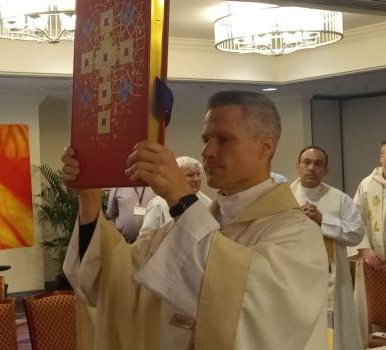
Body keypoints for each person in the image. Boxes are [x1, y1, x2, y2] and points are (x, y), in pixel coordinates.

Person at [61, 90, 328, 350]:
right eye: (206, 139)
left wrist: (179, 196)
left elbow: (245, 307)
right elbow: (110, 281)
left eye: (223, 139)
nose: (208, 151)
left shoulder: (297, 233)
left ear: (265, 146)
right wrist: (89, 199)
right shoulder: (179, 230)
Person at [290, 145, 364, 350]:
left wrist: (324, 221)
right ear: (297, 166)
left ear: (326, 170)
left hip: (332, 277)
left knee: (335, 334)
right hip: (294, 278)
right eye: (307, 162)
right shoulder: (284, 197)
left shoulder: (340, 199)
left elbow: (357, 233)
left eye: (318, 163)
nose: (312, 168)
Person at [350, 141, 386, 343]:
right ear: (381, 157)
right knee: (377, 315)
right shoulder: (367, 184)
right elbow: (356, 220)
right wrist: (364, 249)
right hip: (375, 262)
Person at [140, 156, 210, 234]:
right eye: (190, 175)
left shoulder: (208, 203)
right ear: (176, 177)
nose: (196, 179)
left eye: (198, 174)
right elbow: (146, 238)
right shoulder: (158, 204)